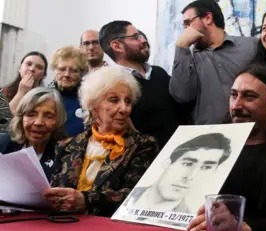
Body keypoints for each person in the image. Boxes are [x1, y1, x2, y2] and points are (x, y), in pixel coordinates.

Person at [187, 64, 266, 231]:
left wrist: (247, 227)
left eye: (249, 97)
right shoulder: (209, 148)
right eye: (233, 95)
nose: (236, 105)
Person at [44, 67, 159, 217]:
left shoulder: (143, 145)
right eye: (114, 100)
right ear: (93, 105)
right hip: (64, 227)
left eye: (128, 101)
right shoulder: (67, 145)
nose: (124, 108)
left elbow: (136, 196)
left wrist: (85, 200)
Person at [99, 20, 186, 150]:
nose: (143, 40)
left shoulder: (159, 72)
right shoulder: (113, 84)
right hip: (146, 161)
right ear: (117, 46)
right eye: (135, 37)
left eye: (140, 35)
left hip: (181, 153)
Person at [170, 0, 258, 124]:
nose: (186, 30)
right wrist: (181, 46)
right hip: (209, 137)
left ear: (208, 18)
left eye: (188, 23)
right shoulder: (188, 59)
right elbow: (182, 96)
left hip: (251, 132)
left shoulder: (251, 45)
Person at [125, 133, 231, 213]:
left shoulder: (192, 219)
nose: (190, 176)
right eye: (187, 164)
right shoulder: (126, 198)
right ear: (167, 163)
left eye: (206, 167)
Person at [0, 87, 66, 180]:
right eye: (31, 115)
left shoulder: (65, 155)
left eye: (48, 116)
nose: (38, 122)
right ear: (21, 118)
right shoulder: (3, 144)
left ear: (58, 121)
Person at [48, 46, 88, 137]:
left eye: (73, 70)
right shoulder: (43, 97)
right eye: (62, 69)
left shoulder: (89, 99)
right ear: (54, 70)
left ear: (82, 73)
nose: (66, 75)